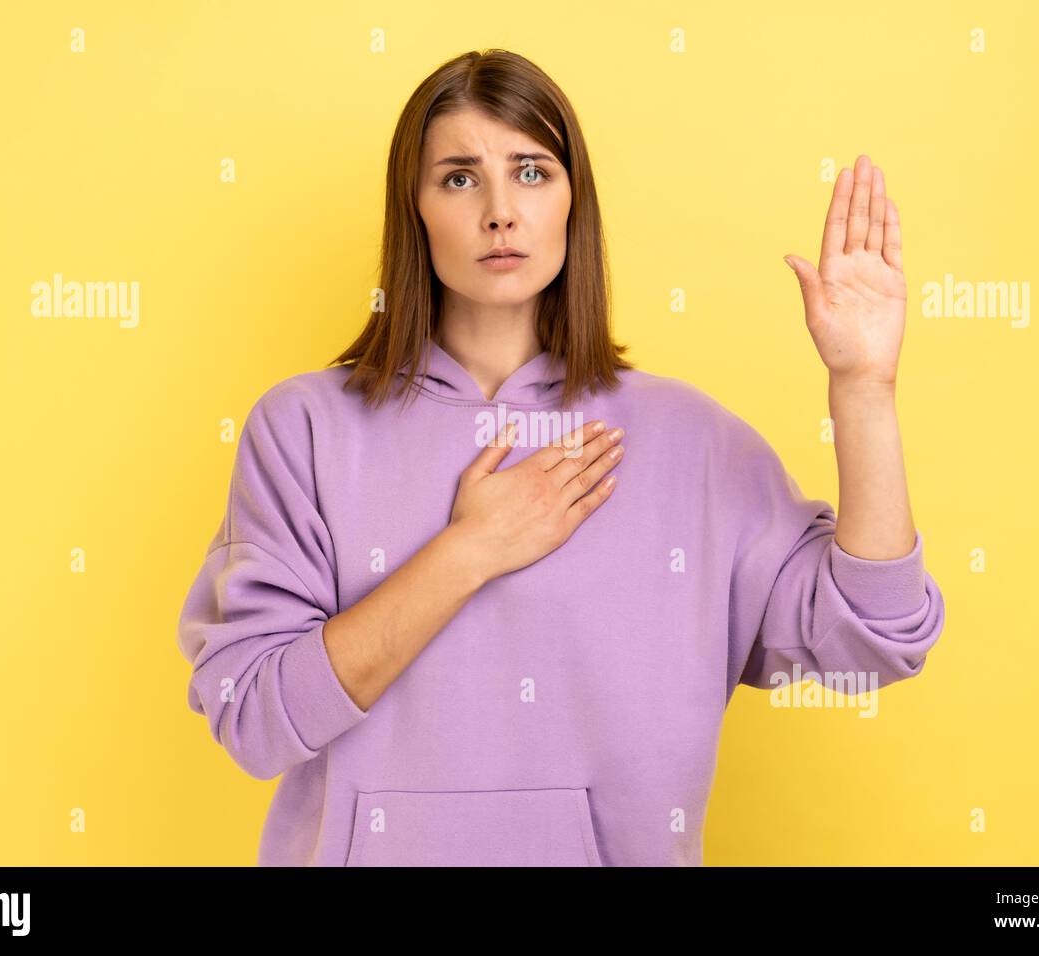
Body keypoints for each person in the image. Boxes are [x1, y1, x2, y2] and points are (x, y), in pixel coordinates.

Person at [176, 48, 945, 866]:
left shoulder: (690, 441)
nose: (501, 211)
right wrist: (470, 550)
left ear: (574, 202)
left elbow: (878, 635)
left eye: (532, 172)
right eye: (460, 178)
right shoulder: (304, 428)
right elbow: (255, 716)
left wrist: (863, 389)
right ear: (415, 210)